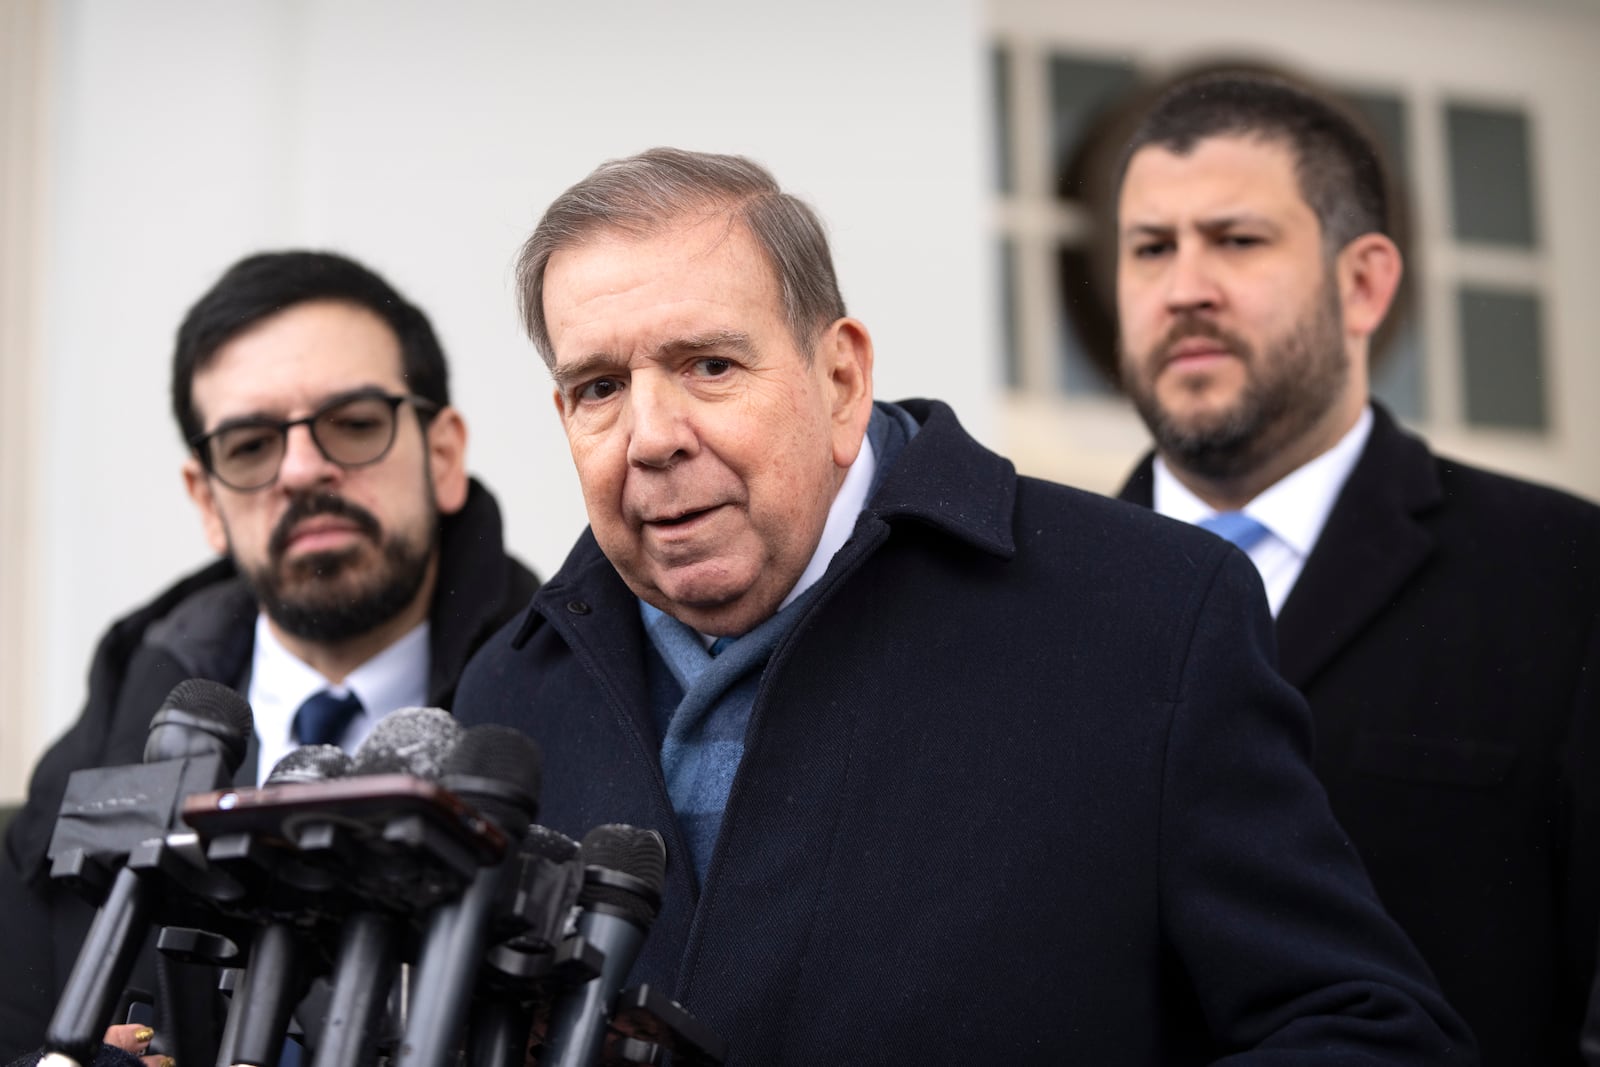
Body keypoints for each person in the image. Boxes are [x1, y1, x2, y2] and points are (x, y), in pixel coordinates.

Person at [455, 147, 1475, 1062]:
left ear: (841, 376)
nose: (651, 435)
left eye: (708, 365)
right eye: (597, 387)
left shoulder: (1149, 613)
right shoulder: (507, 694)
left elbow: (1361, 1025)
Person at [1110, 71, 1600, 1064]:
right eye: (1150, 248)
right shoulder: (1016, 591)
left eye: (1236, 240)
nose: (1184, 286)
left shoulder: (1569, 577)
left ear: (1365, 281)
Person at [0, 251, 540, 1063]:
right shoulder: (80, 778)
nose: (301, 469)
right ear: (205, 500)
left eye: (355, 423)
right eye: (250, 444)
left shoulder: (577, 722)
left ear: (443, 454)